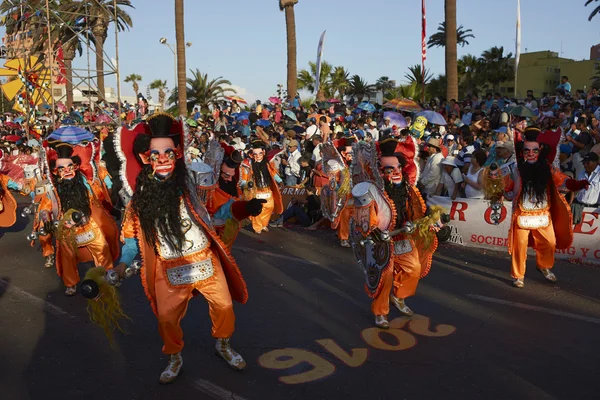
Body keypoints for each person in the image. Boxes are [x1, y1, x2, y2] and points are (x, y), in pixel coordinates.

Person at [114, 113, 266, 384]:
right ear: (145, 159)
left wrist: (244, 207)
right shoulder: (137, 203)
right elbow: (129, 239)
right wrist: (122, 263)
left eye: (168, 153)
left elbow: (218, 213)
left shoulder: (191, 188)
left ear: (178, 154)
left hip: (205, 260)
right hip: (169, 268)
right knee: (166, 319)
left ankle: (223, 344)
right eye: (154, 155)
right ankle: (174, 357)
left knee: (224, 306)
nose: (162, 159)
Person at [350, 138, 444, 328]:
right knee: (386, 275)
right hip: (381, 241)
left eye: (398, 167)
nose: (395, 173)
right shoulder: (371, 190)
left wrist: (429, 222)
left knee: (414, 268)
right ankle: (380, 312)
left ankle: (398, 296)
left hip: (402, 237)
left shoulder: (408, 190)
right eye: (389, 170)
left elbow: (418, 212)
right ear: (380, 171)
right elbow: (364, 219)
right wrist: (375, 232)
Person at [508, 127, 589, 288]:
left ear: (540, 151)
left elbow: (563, 180)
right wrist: (498, 187)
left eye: (534, 150)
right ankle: (518, 276)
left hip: (543, 214)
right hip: (522, 213)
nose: (530, 153)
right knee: (519, 245)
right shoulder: (516, 169)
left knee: (550, 242)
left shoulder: (548, 168)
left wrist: (577, 184)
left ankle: (543, 265)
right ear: (522, 151)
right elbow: (508, 189)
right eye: (527, 150)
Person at [38, 143, 119, 295]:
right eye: (62, 169)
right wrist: (46, 218)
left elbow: (98, 198)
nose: (67, 171)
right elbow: (46, 206)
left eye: (70, 167)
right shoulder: (53, 189)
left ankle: (107, 275)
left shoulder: (85, 184)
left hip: (88, 224)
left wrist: (111, 209)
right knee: (66, 256)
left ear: (75, 167)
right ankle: (71, 283)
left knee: (103, 248)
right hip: (67, 228)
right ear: (56, 172)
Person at [239, 141, 284, 234]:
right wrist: (245, 186)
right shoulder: (248, 165)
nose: (258, 156)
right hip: (256, 191)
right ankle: (257, 227)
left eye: (260, 153)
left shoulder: (267, 164)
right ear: (252, 155)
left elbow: (273, 173)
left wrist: (280, 180)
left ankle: (264, 224)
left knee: (269, 207)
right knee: (257, 209)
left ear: (263, 153)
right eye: (255, 154)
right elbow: (244, 178)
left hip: (267, 189)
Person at [572, 152, 600, 224]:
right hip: (579, 208)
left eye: (588, 163)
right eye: (584, 163)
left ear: (596, 162)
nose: (585, 165)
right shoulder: (581, 173)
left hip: (594, 210)